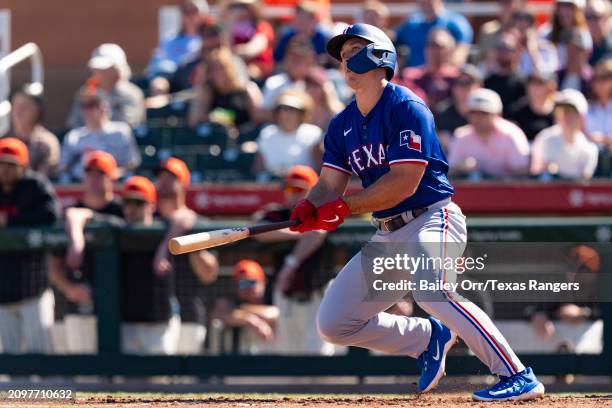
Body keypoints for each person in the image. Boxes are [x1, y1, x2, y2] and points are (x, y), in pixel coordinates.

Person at [289, 24, 544, 401]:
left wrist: (344, 207)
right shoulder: (342, 124)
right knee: (334, 323)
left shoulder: (406, 106)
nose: (346, 60)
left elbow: (404, 182)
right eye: (343, 55)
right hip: (387, 232)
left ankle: (516, 373)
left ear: (380, 58)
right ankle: (427, 339)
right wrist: (311, 205)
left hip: (432, 217)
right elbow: (329, 183)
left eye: (356, 50)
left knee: (432, 291)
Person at [252, 165, 334, 355]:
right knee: (288, 353)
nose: (294, 194)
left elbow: (318, 231)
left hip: (317, 292)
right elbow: (256, 228)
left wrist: (290, 264)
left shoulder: (323, 210)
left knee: (318, 355)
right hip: (286, 294)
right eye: (289, 189)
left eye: (300, 189)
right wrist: (297, 233)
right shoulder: (278, 214)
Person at [49, 151, 123, 353]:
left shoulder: (123, 211)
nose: (95, 179)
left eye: (101, 174)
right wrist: (69, 289)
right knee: (79, 374)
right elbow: (54, 267)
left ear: (112, 178)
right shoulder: (69, 214)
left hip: (120, 305)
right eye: (90, 173)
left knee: (118, 375)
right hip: (78, 303)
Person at [0, 138, 60, 353]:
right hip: (2, 291)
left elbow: (51, 214)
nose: (5, 169)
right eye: (1, 163)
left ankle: (44, 390)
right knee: (9, 358)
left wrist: (9, 221)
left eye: (11, 164)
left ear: (23, 165)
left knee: (42, 355)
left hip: (33, 286)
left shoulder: (35, 185)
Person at [154, 157, 219, 354]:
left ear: (183, 183)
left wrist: (190, 240)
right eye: (161, 177)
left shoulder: (198, 223)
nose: (164, 181)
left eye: (171, 177)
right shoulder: (149, 220)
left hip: (189, 312)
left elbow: (209, 273)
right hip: (154, 316)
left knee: (189, 382)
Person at [59, 91, 141, 181]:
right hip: (81, 184)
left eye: (92, 105)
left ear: (105, 107)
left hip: (115, 182)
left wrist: (112, 173)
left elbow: (132, 162)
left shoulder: (120, 131)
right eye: (84, 106)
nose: (87, 110)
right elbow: (63, 167)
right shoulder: (74, 136)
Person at [449, 89, 530, 179]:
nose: (478, 117)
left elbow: (523, 171)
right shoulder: (461, 136)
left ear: (498, 114)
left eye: (484, 113)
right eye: (473, 113)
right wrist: (460, 168)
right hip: (472, 192)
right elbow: (448, 172)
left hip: (506, 191)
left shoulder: (511, 135)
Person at [66, 43, 145, 129]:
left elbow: (129, 124)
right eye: (97, 68)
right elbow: (74, 123)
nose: (99, 72)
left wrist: (101, 123)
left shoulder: (132, 93)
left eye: (105, 68)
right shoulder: (87, 91)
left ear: (117, 69)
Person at [210, 260, 278, 353]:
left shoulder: (273, 299)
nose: (247, 288)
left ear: (263, 283)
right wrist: (251, 320)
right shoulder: (230, 302)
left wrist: (242, 311)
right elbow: (216, 313)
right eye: (243, 283)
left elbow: (274, 314)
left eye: (251, 282)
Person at [188, 47, 261, 130]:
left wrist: (239, 131)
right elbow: (194, 122)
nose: (216, 72)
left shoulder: (246, 89)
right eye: (212, 69)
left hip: (244, 137)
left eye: (220, 68)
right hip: (216, 140)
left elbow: (257, 120)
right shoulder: (208, 91)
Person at [531, 89, 599, 179]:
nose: (565, 116)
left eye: (571, 111)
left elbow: (584, 183)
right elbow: (537, 174)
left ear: (581, 116)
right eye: (561, 110)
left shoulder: (589, 149)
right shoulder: (544, 139)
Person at [255, 90, 323, 177]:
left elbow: (320, 168)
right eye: (283, 108)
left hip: (304, 187)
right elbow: (259, 167)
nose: (287, 113)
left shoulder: (313, 134)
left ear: (302, 113)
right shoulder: (267, 134)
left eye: (293, 109)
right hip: (271, 185)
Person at [394, 0, 473, 68]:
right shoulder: (412, 23)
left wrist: (443, 76)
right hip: (412, 78)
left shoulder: (456, 22)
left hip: (443, 80)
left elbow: (461, 51)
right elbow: (394, 41)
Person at [398, 28, 459, 111]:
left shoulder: (457, 78)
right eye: (431, 45)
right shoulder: (409, 76)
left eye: (439, 46)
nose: (434, 50)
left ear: (450, 50)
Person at [146, 0, 208, 81]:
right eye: (186, 11)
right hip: (164, 76)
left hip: (188, 79)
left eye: (194, 11)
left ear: (203, 14)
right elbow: (157, 59)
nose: (190, 16)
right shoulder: (170, 39)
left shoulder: (207, 40)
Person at [7, 84, 60, 177]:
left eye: (25, 106)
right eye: (16, 105)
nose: (18, 111)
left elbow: (43, 178)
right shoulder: (4, 140)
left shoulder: (46, 142)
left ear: (37, 110)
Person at [261, 37, 317, 115]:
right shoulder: (274, 82)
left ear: (309, 60)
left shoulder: (317, 84)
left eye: (301, 58)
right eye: (293, 57)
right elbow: (262, 113)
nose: (296, 61)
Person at [223, 0, 275, 80]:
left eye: (243, 6)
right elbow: (224, 48)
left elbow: (253, 49)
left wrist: (234, 52)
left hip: (259, 75)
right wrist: (231, 22)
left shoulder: (262, 26)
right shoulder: (229, 28)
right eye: (235, 6)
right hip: (235, 73)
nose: (238, 10)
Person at [434, 65, 483, 150]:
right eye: (459, 83)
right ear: (453, 88)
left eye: (469, 83)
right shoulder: (442, 112)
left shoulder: (486, 112)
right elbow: (446, 145)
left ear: (480, 86)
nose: (464, 88)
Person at [484, 31, 527, 117]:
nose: (502, 52)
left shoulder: (524, 83)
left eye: (506, 48)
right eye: (499, 48)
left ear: (517, 51)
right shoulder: (487, 83)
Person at [539, 0, 592, 68]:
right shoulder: (545, 32)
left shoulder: (583, 35)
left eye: (568, 6)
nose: (562, 12)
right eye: (560, 6)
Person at [507, 71, 557, 141]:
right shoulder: (515, 112)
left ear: (551, 87)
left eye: (539, 83)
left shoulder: (559, 112)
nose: (533, 87)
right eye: (531, 83)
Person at [477, 0, 525, 66]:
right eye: (501, 2)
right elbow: (482, 59)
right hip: (492, 72)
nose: (504, 6)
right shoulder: (488, 30)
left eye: (509, 2)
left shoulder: (526, 30)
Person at [557, 29, 594, 94]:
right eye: (568, 48)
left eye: (577, 49)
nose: (572, 53)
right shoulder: (556, 77)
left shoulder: (593, 80)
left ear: (588, 53)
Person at [586, 58, 612, 150]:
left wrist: (605, 140)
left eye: (604, 78)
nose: (599, 83)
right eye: (595, 78)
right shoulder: (586, 108)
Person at [585, 0, 612, 66]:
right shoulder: (582, 48)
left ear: (608, 17)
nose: (591, 22)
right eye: (588, 17)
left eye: (595, 17)